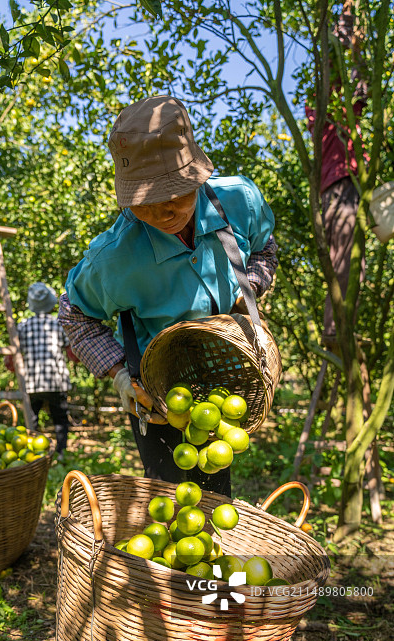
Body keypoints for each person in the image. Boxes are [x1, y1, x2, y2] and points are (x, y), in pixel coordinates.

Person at [59, 95, 278, 495]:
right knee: (171, 503)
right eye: (146, 200)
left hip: (226, 378)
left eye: (175, 191)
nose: (163, 210)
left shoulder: (240, 203)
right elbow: (75, 316)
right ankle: (174, 562)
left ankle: (213, 560)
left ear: (196, 175)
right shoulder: (115, 259)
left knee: (214, 498)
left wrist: (247, 291)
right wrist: (120, 375)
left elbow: (265, 248)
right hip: (159, 396)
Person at [305, 1, 367, 349]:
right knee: (345, 262)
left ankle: (337, 326)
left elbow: (361, 89)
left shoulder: (336, 111)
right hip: (340, 186)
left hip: (341, 186)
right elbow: (346, 71)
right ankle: (337, 329)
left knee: (346, 262)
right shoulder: (327, 107)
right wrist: (348, 19)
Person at [10, 282, 72, 456]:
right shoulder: (58, 324)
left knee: (32, 420)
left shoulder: (22, 326)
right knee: (60, 419)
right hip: (56, 381)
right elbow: (71, 352)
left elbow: (12, 358)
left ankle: (31, 454)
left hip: (31, 383)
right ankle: (61, 453)